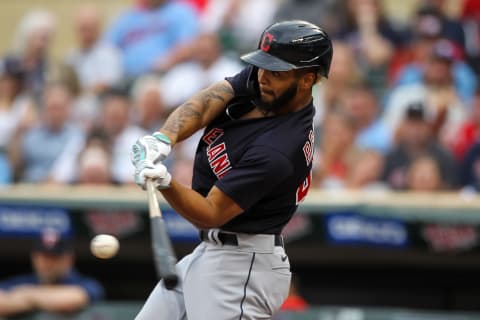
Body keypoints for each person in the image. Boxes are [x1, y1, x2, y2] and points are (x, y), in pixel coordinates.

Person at [130, 20, 333, 319]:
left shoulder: (279, 149)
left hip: (242, 268)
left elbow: (210, 212)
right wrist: (164, 138)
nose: (262, 76)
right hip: (212, 254)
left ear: (308, 79)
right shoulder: (269, 85)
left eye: (275, 72)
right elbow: (213, 97)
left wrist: (166, 182)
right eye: (262, 66)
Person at [0, 229, 105, 317]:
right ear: (34, 257)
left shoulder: (86, 283)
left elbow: (70, 301)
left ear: (69, 259)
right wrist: (45, 300)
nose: (48, 263)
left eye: (54, 257)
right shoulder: (20, 281)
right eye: (44, 257)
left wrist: (27, 296)